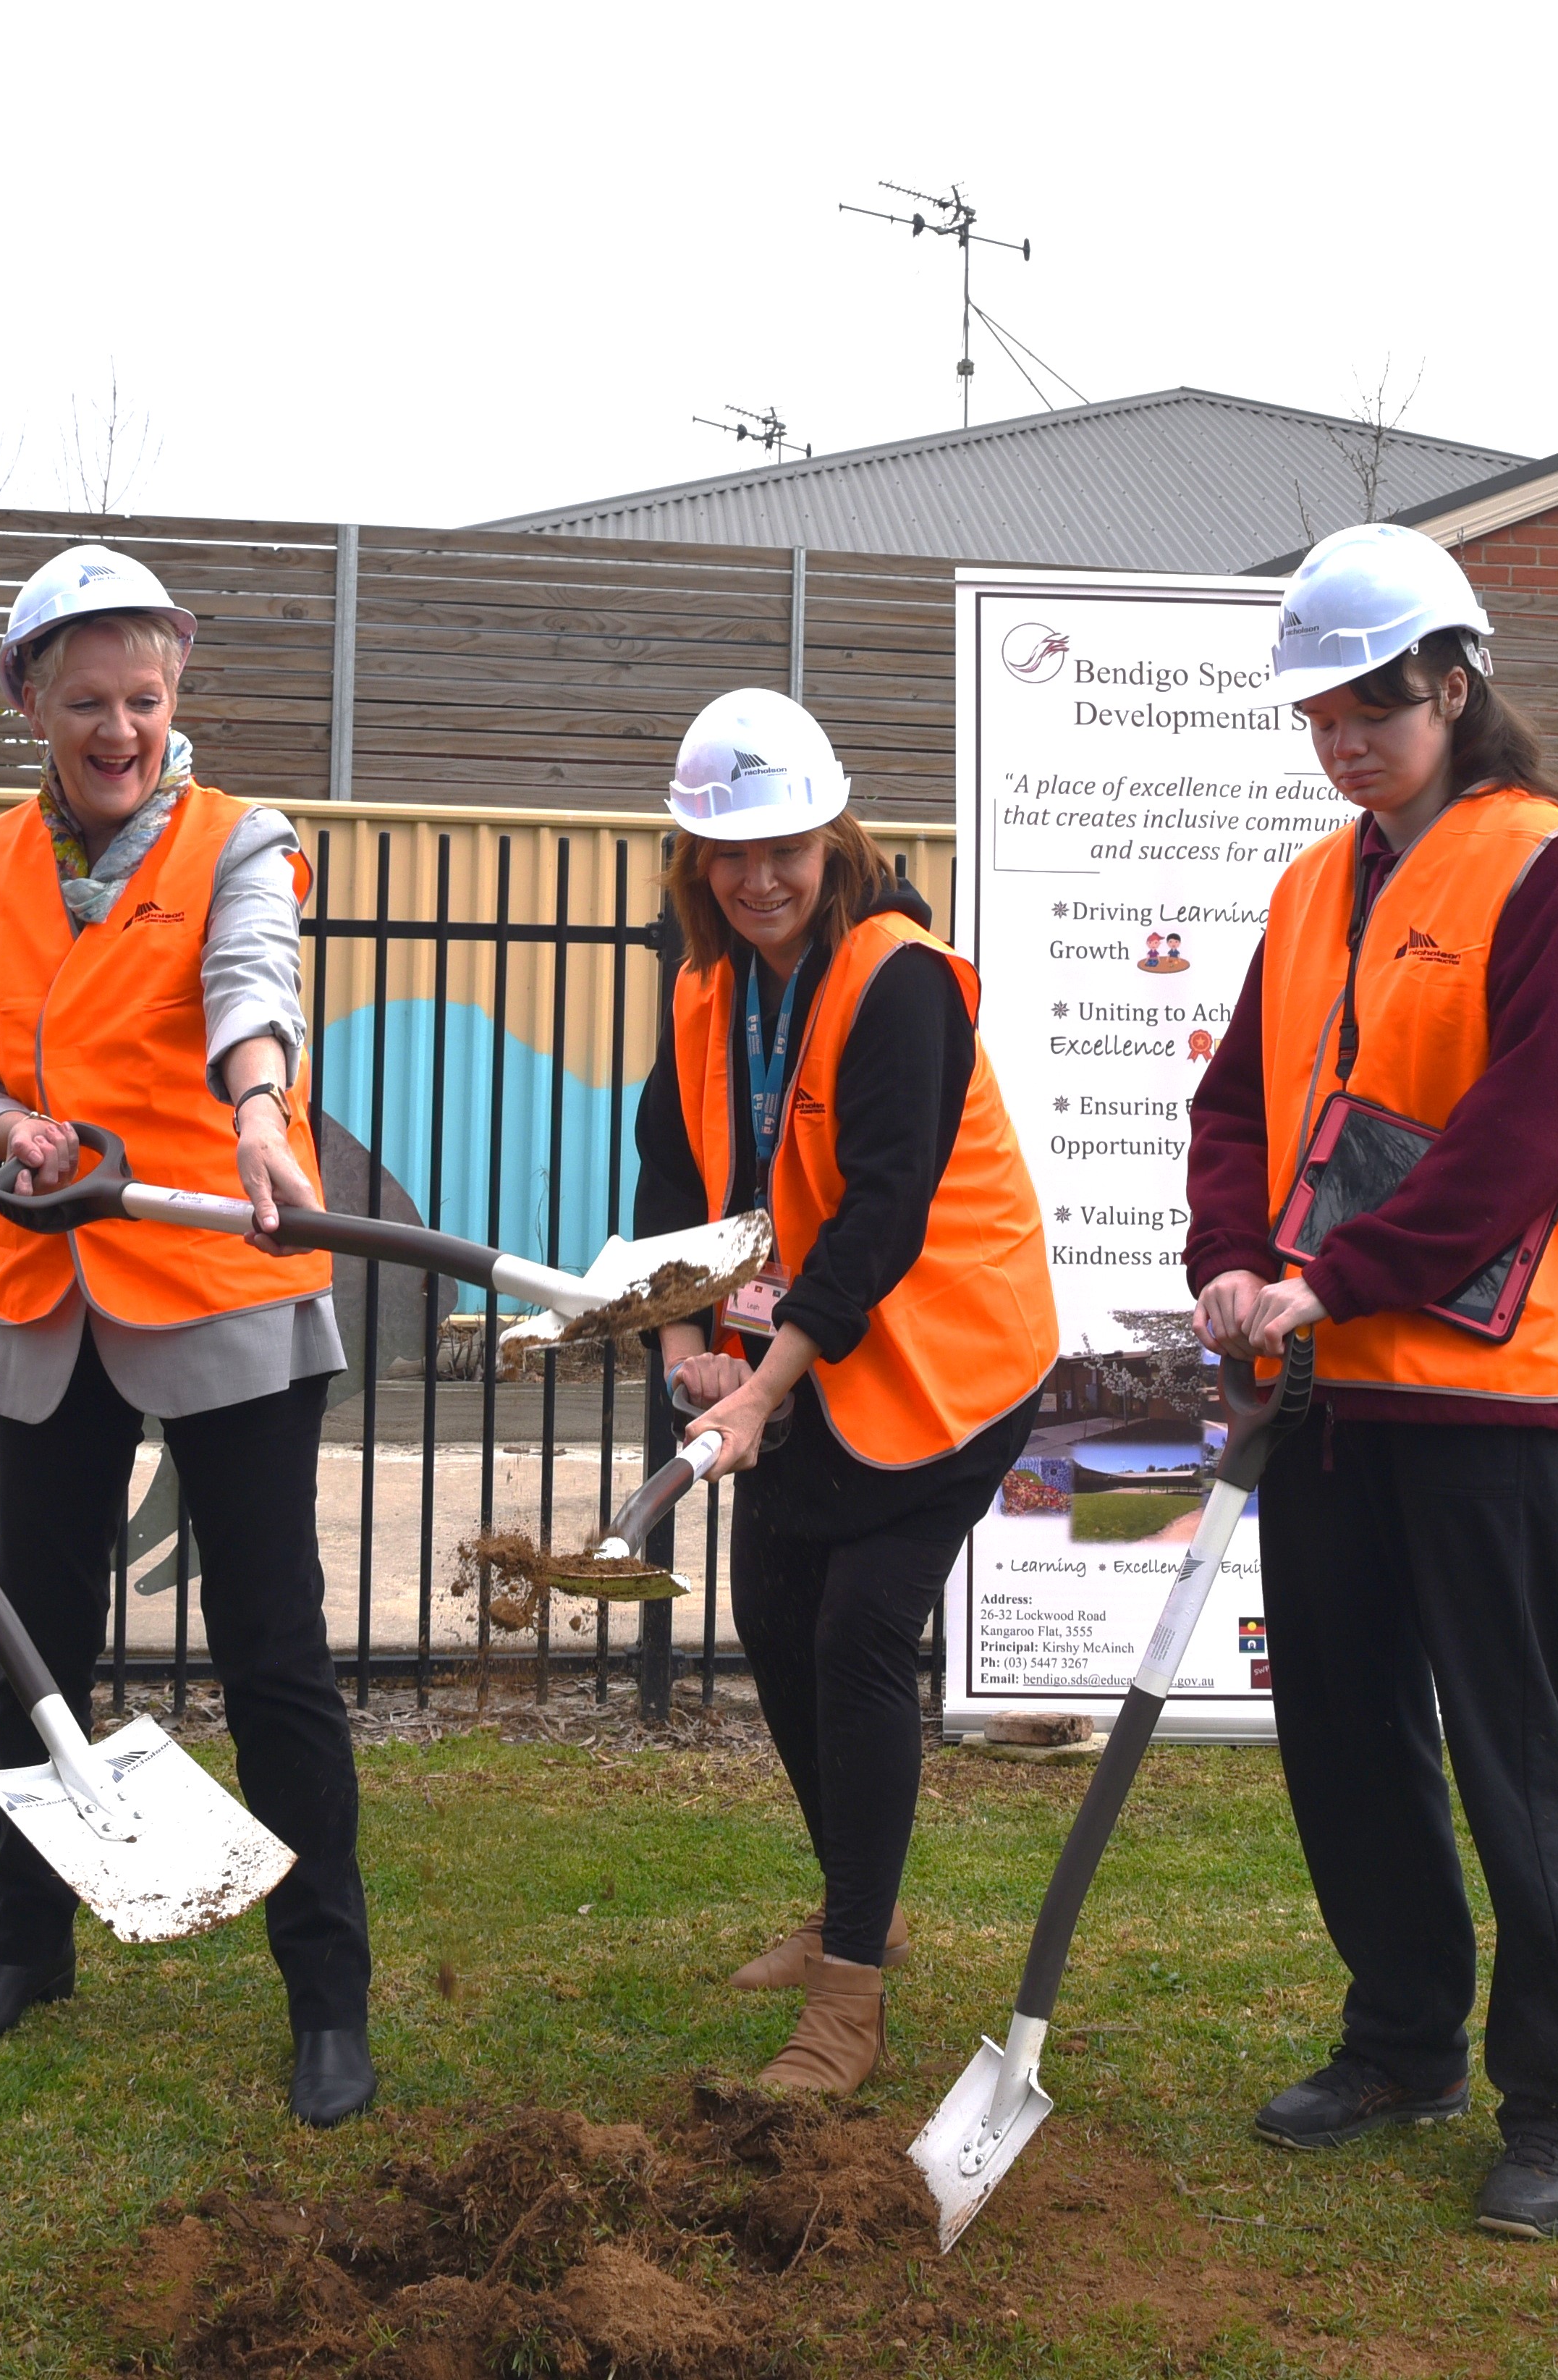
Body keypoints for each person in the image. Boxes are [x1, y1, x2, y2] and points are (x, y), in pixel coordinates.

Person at [1181, 523, 1558, 2243]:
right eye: (1319, 712)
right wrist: (1229, 1258)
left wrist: (1337, 1277)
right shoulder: (1312, 886)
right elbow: (1238, 1101)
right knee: (1343, 1732)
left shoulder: (1541, 869)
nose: (1344, 736)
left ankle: (1553, 2105)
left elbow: (1533, 1125)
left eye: (1372, 702)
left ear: (1454, 682)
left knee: (1506, 1751)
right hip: (1320, 1385)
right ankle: (1399, 2043)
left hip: (1484, 1391)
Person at [0, 542, 377, 2128]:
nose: (119, 728)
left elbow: (256, 990)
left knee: (272, 1655)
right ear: (31, 701)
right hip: (49, 1297)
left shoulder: (243, 838)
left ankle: (328, 1995)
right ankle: (22, 1945)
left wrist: (257, 1112)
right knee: (34, 1640)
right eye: (88, 699)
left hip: (222, 1285)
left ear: (176, 695)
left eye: (145, 696)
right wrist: (8, 1137)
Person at [633, 688, 1059, 2093]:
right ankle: (845, 1903)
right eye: (727, 853)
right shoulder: (705, 989)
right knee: (773, 1617)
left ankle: (849, 1999)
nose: (757, 879)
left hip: (950, 1353)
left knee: (862, 1633)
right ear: (694, 861)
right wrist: (683, 1341)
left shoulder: (901, 978)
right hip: (810, 1353)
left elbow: (880, 1212)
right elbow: (673, 1186)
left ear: (834, 838)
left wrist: (757, 1391)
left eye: (784, 849)